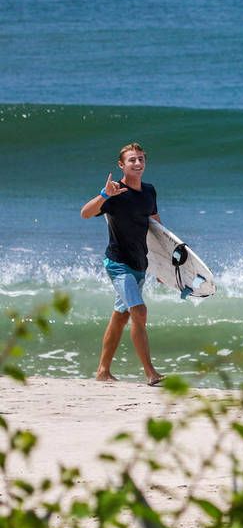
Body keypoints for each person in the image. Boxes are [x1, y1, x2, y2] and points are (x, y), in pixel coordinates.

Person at [80, 143, 165, 386]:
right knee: (139, 312)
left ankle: (103, 371)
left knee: (121, 316)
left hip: (140, 264)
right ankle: (151, 373)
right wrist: (105, 195)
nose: (137, 163)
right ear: (121, 165)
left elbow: (158, 229)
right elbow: (85, 213)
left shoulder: (149, 191)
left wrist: (163, 267)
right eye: (132, 160)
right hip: (118, 263)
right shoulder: (114, 192)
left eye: (141, 159)